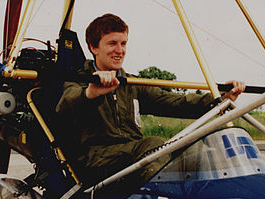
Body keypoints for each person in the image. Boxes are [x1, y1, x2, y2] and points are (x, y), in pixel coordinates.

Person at [56, 13, 245, 190]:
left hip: (133, 156)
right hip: (95, 159)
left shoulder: (132, 83)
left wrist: (220, 97)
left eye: (124, 43)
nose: (120, 50)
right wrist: (91, 92)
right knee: (152, 145)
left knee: (196, 148)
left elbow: (176, 102)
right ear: (93, 47)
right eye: (112, 43)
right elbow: (65, 105)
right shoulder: (79, 80)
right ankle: (163, 197)